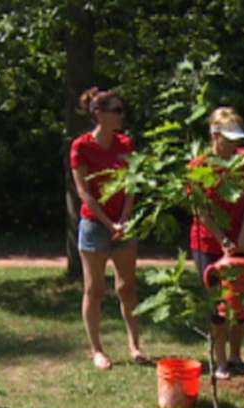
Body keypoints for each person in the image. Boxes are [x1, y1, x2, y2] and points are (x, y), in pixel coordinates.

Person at [70, 87, 147, 370]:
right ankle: (97, 351)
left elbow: (131, 185)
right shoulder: (81, 146)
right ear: (98, 114)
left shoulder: (126, 144)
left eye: (122, 110)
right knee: (95, 289)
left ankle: (135, 346)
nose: (121, 116)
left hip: (124, 224)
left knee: (127, 287)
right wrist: (108, 223)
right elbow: (84, 192)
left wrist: (124, 219)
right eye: (116, 111)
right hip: (94, 225)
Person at [188, 107, 244, 380]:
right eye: (229, 138)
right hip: (208, 243)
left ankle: (237, 356)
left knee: (239, 302)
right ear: (215, 135)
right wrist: (223, 239)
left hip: (240, 238)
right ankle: (221, 362)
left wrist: (243, 234)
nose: (234, 144)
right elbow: (201, 211)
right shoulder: (199, 167)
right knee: (219, 305)